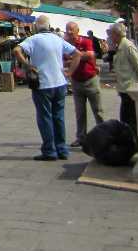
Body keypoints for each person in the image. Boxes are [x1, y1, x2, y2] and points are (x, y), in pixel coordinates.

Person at [13, 15, 81, 161]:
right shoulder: (57, 39)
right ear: (49, 26)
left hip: (43, 84)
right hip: (60, 82)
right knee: (59, 117)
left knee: (45, 117)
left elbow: (17, 51)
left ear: (36, 26)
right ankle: (62, 149)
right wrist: (69, 72)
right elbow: (77, 54)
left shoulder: (33, 39)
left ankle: (49, 150)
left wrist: (28, 65)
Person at [64, 21, 104, 147]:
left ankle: (104, 135)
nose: (69, 32)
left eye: (71, 29)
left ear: (77, 30)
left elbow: (91, 54)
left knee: (98, 111)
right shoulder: (66, 45)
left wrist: (75, 57)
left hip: (90, 80)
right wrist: (81, 56)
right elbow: (64, 61)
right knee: (80, 112)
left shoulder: (85, 41)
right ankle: (81, 137)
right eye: (67, 30)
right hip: (76, 81)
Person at [108, 22, 138, 143]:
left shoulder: (127, 46)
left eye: (111, 34)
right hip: (124, 88)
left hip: (130, 88)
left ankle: (134, 143)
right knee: (125, 119)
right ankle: (130, 142)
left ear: (116, 34)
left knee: (130, 119)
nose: (110, 37)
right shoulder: (119, 46)